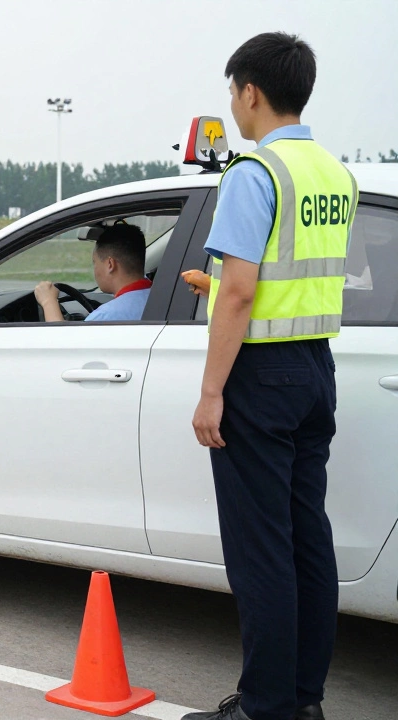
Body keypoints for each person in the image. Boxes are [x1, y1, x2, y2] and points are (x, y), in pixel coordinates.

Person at [185, 33, 355, 720]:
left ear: (250, 92)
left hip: (260, 376)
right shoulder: (333, 174)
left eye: (232, 93)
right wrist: (221, 288)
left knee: (261, 552)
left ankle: (264, 707)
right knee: (307, 540)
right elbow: (297, 279)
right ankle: (303, 700)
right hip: (315, 366)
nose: (233, 105)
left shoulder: (254, 173)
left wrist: (211, 392)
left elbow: (241, 292)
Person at [33, 222, 152, 322]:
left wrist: (48, 302)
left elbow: (63, 342)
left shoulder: (106, 317)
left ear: (110, 264)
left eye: (95, 262)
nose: (94, 269)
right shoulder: (156, 297)